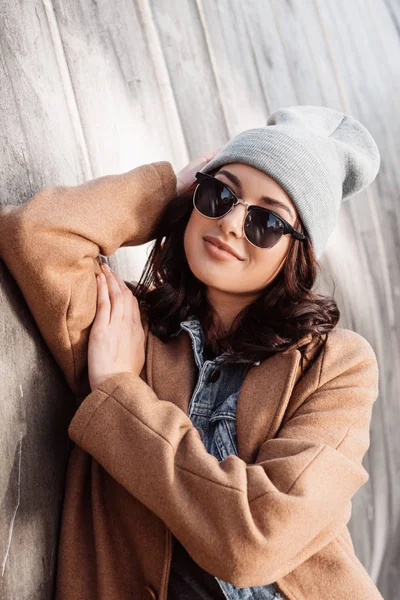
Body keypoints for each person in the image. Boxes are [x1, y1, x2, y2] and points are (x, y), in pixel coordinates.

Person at [0, 105, 384, 600]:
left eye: (265, 222)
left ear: (298, 252)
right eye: (219, 194)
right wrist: (169, 187)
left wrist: (122, 397)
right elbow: (35, 234)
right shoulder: (126, 328)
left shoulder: (337, 367)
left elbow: (254, 541)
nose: (229, 223)